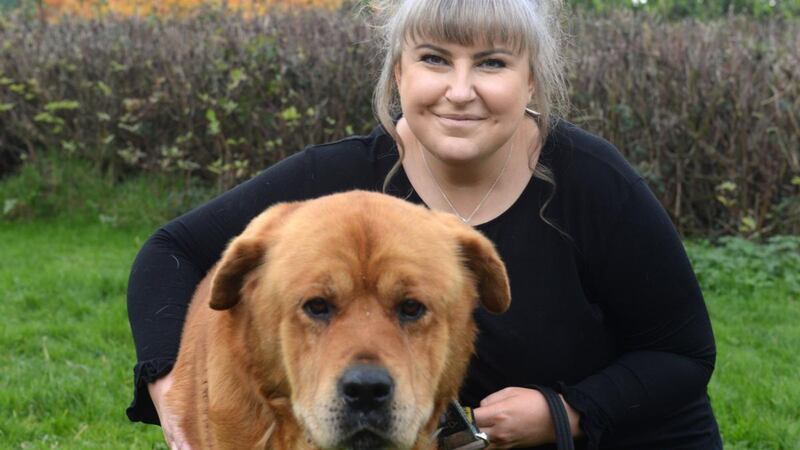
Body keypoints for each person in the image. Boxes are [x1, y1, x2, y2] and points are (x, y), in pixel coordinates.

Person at [126, 0, 723, 449]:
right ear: (398, 75)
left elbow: (683, 353)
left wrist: (565, 412)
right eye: (435, 59)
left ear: (531, 79)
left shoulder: (594, 184)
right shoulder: (337, 182)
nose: (460, 91)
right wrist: (170, 390)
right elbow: (170, 249)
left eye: (491, 63)